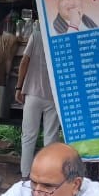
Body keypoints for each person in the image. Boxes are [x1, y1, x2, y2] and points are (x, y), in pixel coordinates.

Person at [15, 27, 61, 180]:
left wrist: (19, 87)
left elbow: (24, 61)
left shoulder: (36, 35)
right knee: (51, 137)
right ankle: (48, 175)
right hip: (53, 96)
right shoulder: (61, 36)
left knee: (29, 136)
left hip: (33, 94)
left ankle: (26, 175)